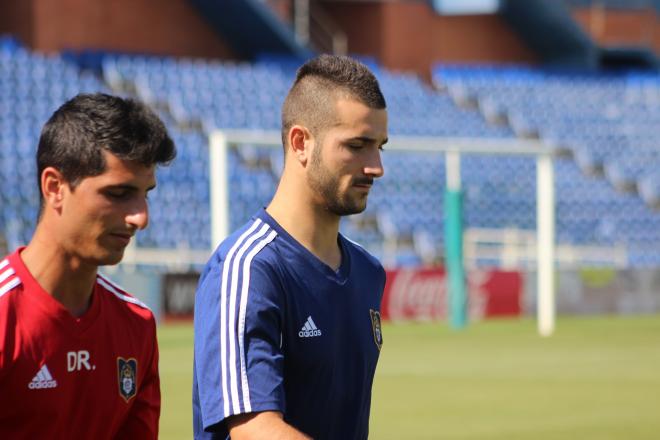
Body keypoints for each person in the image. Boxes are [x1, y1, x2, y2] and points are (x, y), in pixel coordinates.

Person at [193, 54, 388, 439]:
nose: (376, 166)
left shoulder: (368, 272)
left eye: (381, 146)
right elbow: (252, 430)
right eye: (357, 146)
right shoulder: (249, 268)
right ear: (300, 142)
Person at [0, 93, 176, 439]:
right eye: (118, 193)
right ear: (55, 188)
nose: (141, 217)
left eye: (145, 194)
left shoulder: (136, 326)